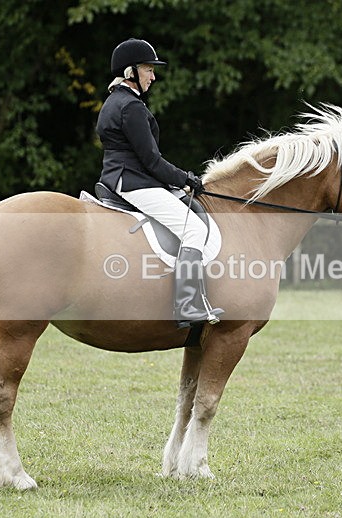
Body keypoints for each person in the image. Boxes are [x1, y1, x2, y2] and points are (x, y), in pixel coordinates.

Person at [96, 38, 223, 328]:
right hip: (134, 181)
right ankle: (187, 304)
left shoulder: (114, 101)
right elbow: (152, 160)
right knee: (193, 228)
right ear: (130, 72)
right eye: (147, 69)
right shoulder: (131, 107)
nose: (153, 76)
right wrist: (186, 179)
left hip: (121, 177)